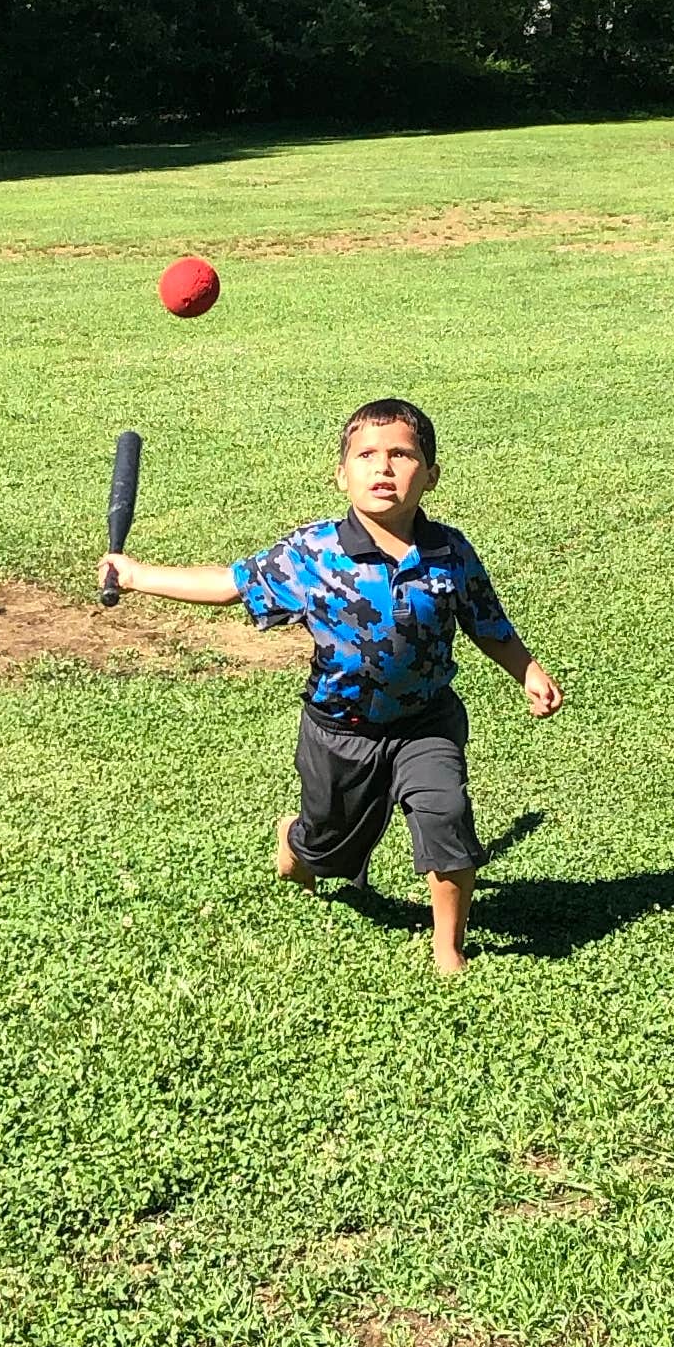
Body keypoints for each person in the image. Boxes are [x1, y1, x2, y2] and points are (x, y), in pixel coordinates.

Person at [102, 396, 561, 977]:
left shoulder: (450, 552)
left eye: (402, 454)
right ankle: (296, 841)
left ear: (432, 475)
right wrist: (137, 574)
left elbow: (486, 621)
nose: (384, 467)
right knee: (328, 851)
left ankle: (449, 946)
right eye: (367, 455)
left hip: (426, 722)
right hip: (340, 732)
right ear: (343, 474)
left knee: (448, 817)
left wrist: (528, 670)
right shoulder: (313, 553)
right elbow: (231, 584)